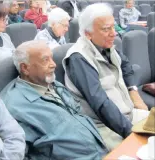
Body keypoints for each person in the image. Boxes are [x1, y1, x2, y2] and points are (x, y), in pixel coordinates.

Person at [0, 40, 108, 159]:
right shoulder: (15, 106)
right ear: (25, 68)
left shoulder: (53, 84)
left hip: (100, 151)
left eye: (52, 58)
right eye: (45, 60)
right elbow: (18, 153)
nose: (54, 64)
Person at [62, 3, 149, 150]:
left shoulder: (105, 46)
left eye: (113, 27)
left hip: (127, 114)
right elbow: (100, 103)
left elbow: (126, 65)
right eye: (106, 29)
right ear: (87, 33)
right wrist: (130, 132)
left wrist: (134, 92)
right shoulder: (79, 58)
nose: (114, 33)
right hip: (104, 126)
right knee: (142, 151)